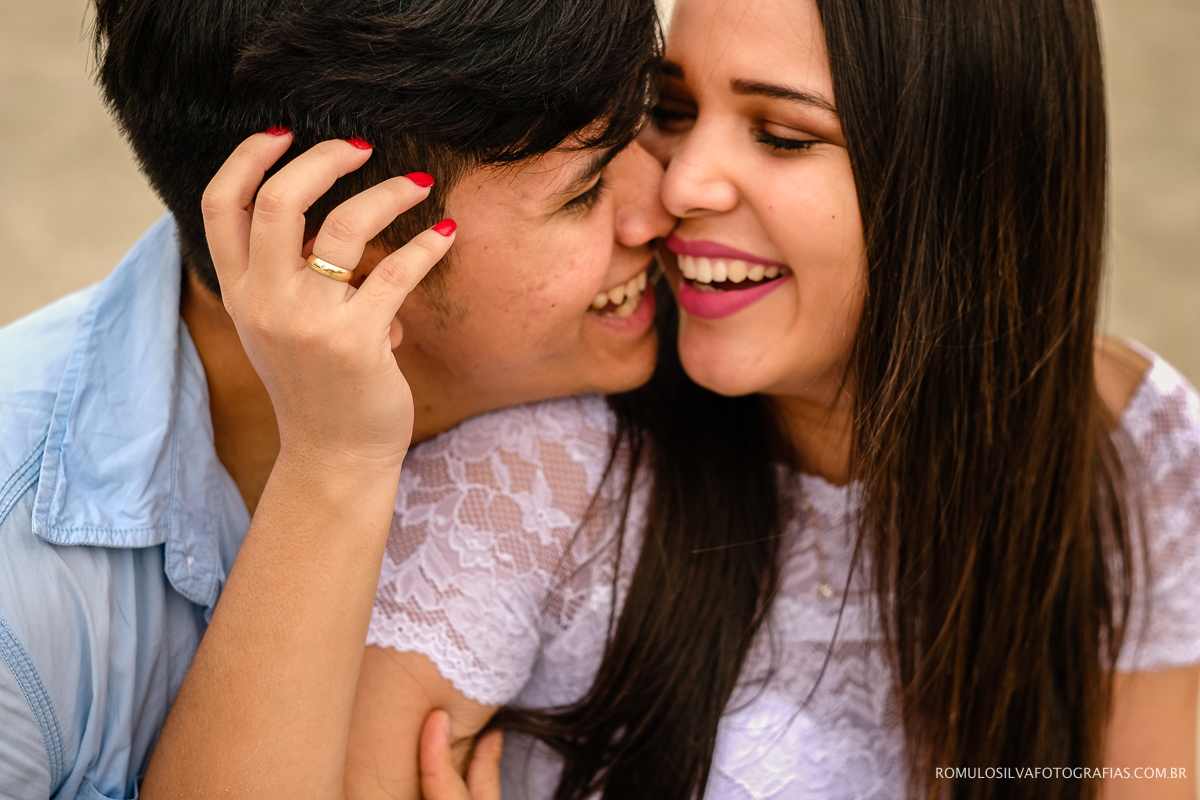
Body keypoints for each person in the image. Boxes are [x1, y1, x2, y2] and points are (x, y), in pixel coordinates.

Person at [349, 0, 1200, 798]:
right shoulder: (534, 471)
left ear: (967, 174)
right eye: (671, 112)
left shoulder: (1131, 447)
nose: (679, 186)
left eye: (782, 135)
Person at [0, 0, 671, 797]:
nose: (667, 200)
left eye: (655, 120)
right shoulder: (22, 608)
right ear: (347, 253)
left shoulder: (698, 373)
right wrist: (335, 462)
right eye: (585, 191)